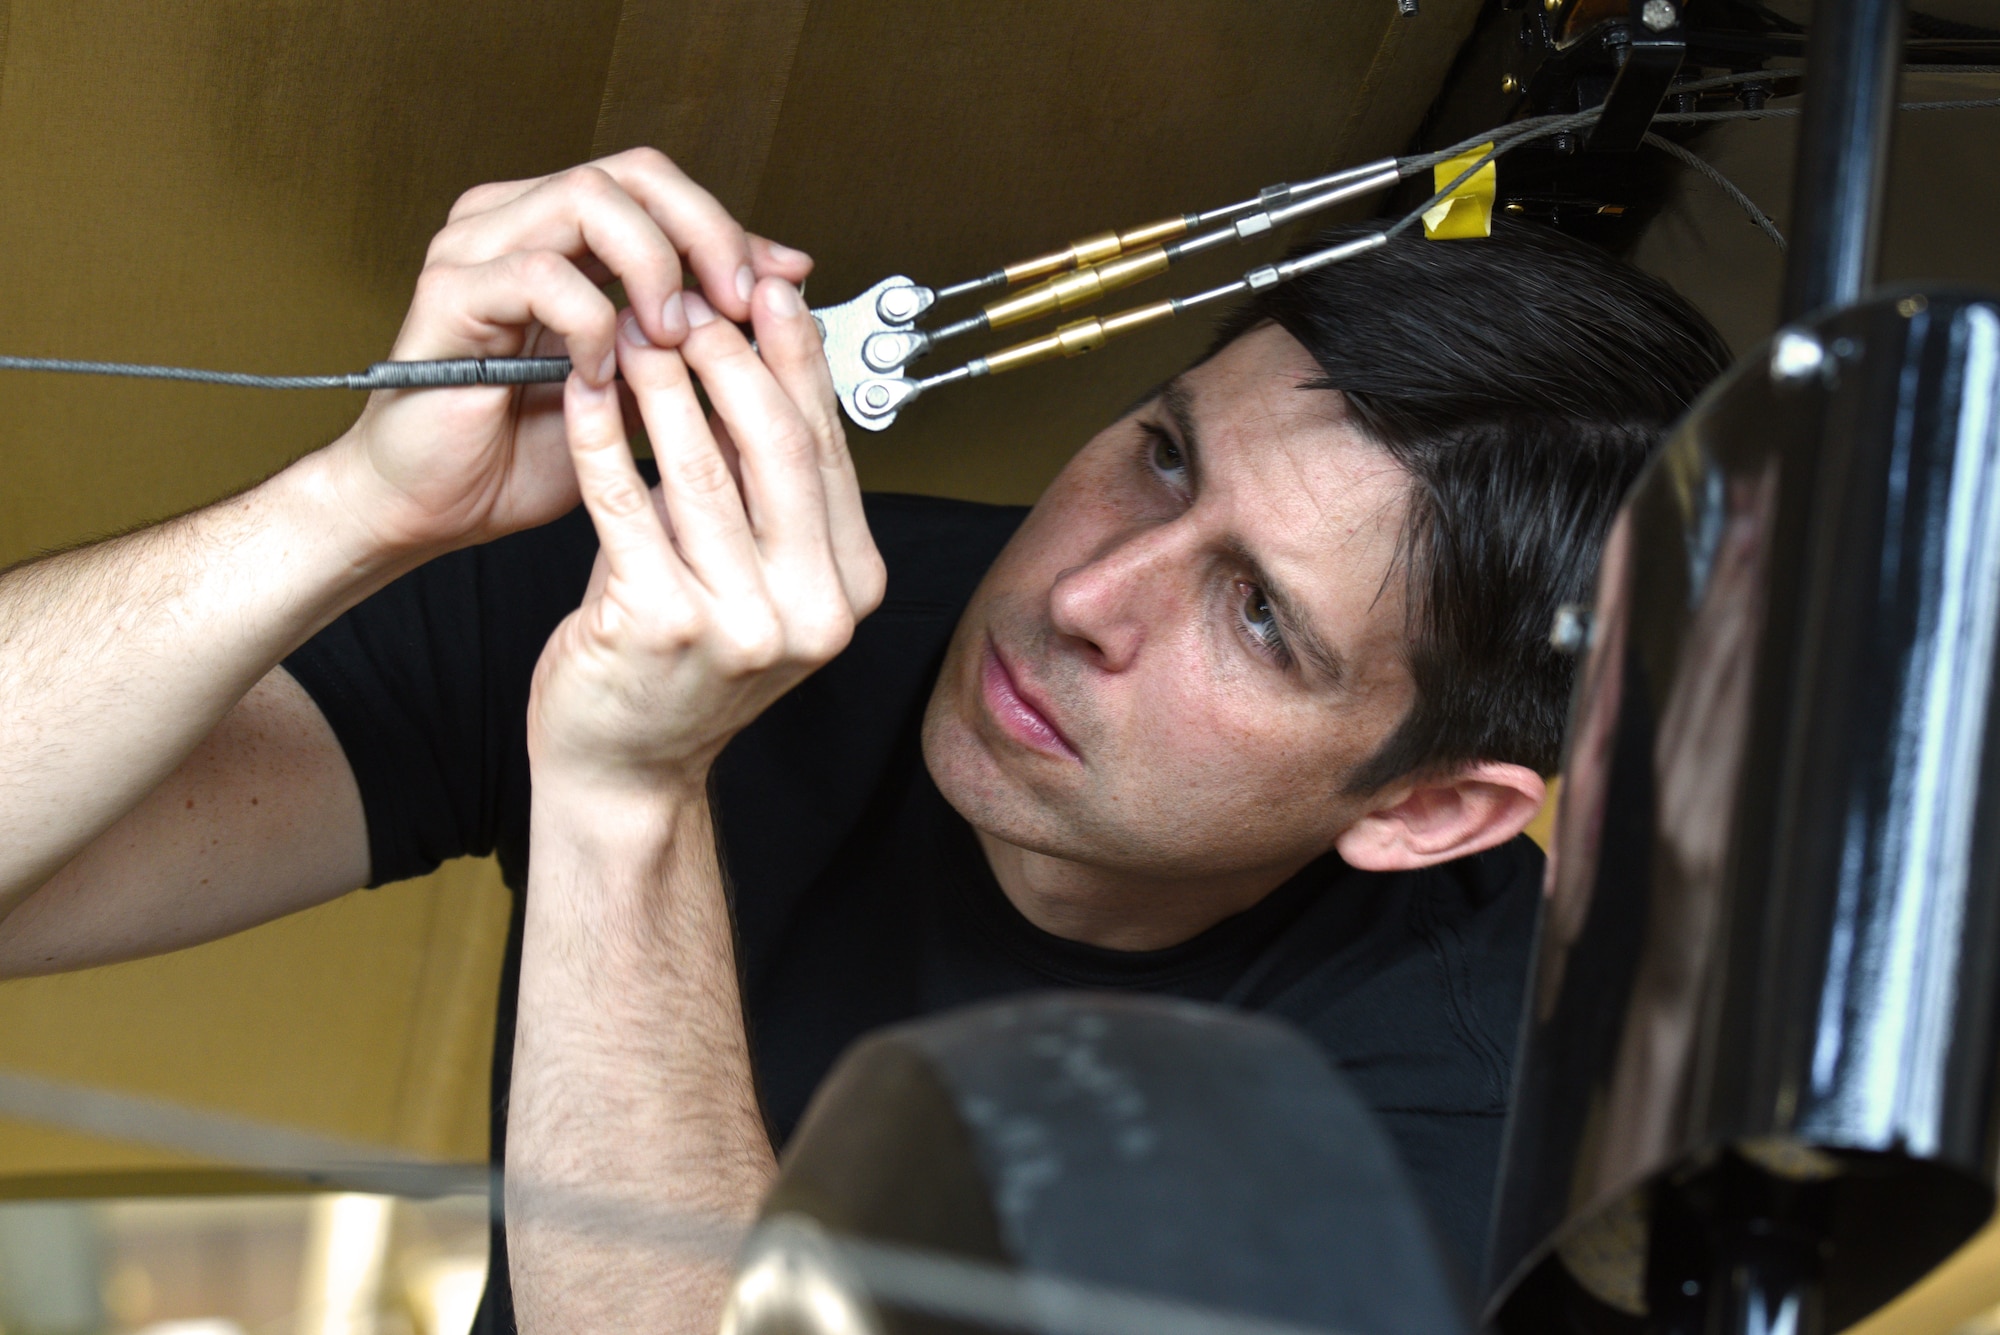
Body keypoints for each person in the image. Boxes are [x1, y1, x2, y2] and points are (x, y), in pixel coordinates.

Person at [0, 149, 1728, 1333]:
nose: (1086, 594)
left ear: (1430, 809)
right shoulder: (804, 596)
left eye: (1260, 618)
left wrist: (624, 801)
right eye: (1163, 455)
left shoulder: (1463, 1128)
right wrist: (358, 508)